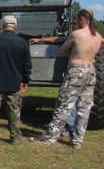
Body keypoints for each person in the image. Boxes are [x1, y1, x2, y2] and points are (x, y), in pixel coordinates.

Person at [32, 9, 104, 148]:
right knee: (84, 108)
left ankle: (51, 137)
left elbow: (63, 50)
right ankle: (77, 140)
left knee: (64, 105)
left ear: (82, 19)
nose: (75, 21)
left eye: (76, 19)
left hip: (76, 70)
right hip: (91, 70)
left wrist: (72, 55)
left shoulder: (76, 34)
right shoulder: (98, 36)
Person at [0, 15, 32, 144]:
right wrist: (25, 80)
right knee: (14, 110)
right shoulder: (22, 42)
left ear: (3, 25)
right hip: (14, 82)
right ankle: (15, 137)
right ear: (15, 26)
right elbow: (27, 65)